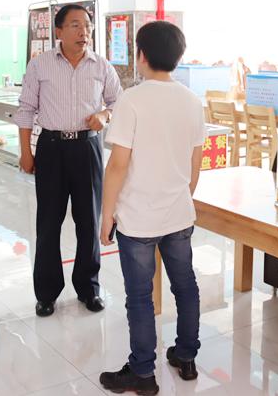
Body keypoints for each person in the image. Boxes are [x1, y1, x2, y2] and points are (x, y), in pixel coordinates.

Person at [99, 21, 204, 395]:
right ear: (178, 56)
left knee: (140, 297)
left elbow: (117, 165)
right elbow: (195, 163)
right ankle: (186, 358)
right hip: (179, 215)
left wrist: (106, 214)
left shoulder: (132, 100)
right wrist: (180, 197)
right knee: (186, 287)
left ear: (141, 55)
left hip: (138, 218)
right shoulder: (192, 101)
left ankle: (143, 374)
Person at [15, 4, 122, 317]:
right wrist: (26, 152)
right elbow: (26, 109)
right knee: (48, 222)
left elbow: (118, 102)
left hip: (87, 148)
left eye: (87, 26)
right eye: (75, 25)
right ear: (58, 31)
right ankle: (46, 293)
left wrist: (105, 114)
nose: (83, 32)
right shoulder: (41, 65)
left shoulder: (101, 66)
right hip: (51, 147)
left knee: (89, 221)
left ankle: (89, 288)